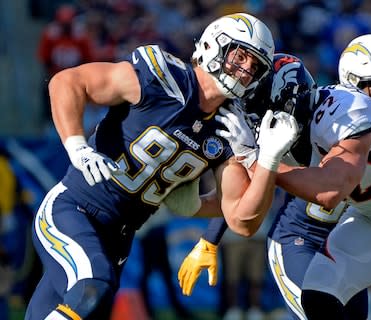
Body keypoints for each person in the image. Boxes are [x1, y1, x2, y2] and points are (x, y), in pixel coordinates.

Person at [25, 13, 301, 320]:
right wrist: (76, 146)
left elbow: (239, 216)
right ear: (213, 45)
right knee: (93, 286)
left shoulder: (229, 130)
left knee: (76, 306)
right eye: (240, 56)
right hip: (74, 209)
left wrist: (259, 159)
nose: (246, 69)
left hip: (120, 237)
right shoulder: (161, 78)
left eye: (256, 65)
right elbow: (68, 81)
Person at [178, 34, 371, 320]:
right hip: (346, 226)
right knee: (319, 298)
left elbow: (330, 191)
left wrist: (259, 161)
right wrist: (189, 211)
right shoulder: (272, 131)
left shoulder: (345, 112)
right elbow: (239, 198)